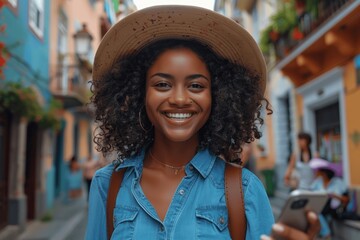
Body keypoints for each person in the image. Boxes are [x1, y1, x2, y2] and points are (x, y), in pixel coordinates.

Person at [86, 5, 320, 240]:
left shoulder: (244, 191)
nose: (179, 99)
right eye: (162, 84)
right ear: (140, 93)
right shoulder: (108, 185)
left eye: (196, 86)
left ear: (218, 96)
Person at [309, 158, 347, 239]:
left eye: (318, 172)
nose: (316, 173)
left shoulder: (337, 182)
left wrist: (334, 195)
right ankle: (325, 233)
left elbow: (346, 199)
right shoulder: (318, 182)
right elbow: (310, 193)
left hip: (334, 208)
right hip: (322, 207)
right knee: (314, 211)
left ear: (324, 173)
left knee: (317, 212)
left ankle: (326, 234)